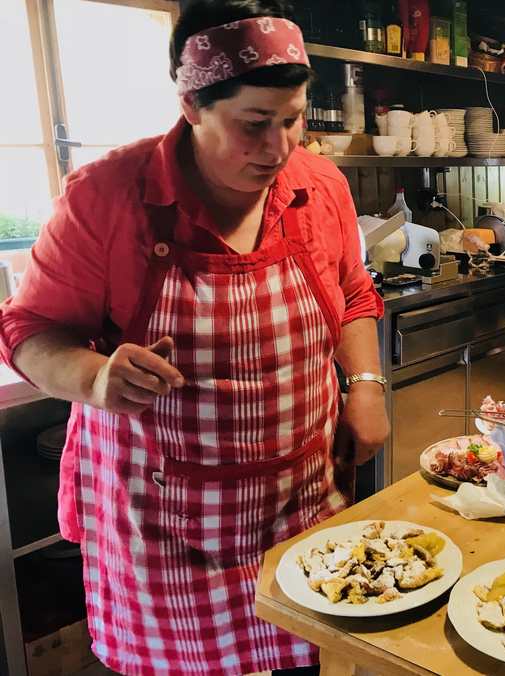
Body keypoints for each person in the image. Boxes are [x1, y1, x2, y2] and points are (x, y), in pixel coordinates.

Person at [0, 1, 388, 673]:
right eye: (254, 124)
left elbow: (355, 293)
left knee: (308, 655)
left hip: (299, 496)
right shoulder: (107, 196)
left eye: (292, 119)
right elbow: (30, 332)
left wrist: (368, 387)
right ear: (191, 106)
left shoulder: (319, 185)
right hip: (163, 521)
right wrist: (93, 377)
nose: (278, 148)